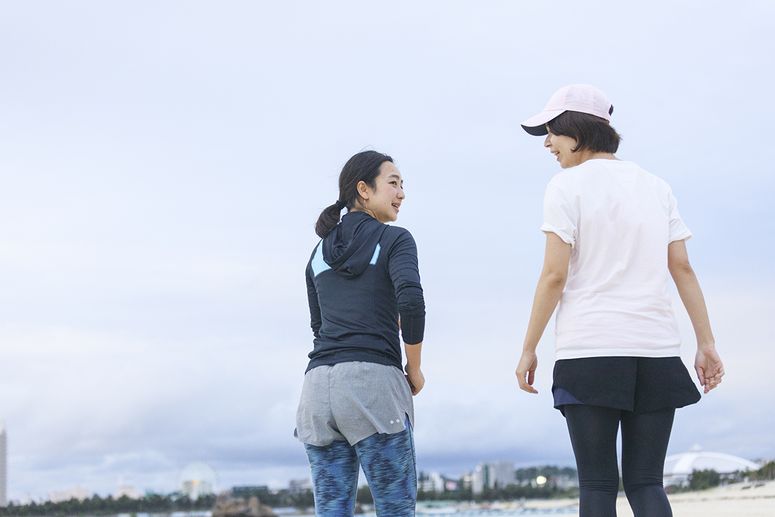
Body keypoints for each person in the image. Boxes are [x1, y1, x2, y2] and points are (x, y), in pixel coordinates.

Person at [515, 84, 724, 517]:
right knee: (647, 483)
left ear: (576, 130)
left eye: (551, 132)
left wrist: (529, 347)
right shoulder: (656, 186)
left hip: (590, 350)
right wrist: (706, 343)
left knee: (597, 485)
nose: (548, 144)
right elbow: (682, 268)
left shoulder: (565, 186)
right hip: (656, 350)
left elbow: (554, 275)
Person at [296, 150, 426, 516]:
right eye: (393, 183)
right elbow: (412, 302)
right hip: (373, 385)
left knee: (331, 510)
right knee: (396, 508)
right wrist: (414, 368)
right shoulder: (395, 239)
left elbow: (320, 326)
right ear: (363, 190)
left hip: (318, 390)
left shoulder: (318, 252)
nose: (401, 193)